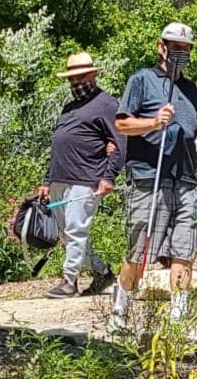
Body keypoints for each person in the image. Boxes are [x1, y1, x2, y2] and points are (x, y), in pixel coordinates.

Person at [109, 22, 197, 333]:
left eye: (185, 48)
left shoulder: (194, 91)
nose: (179, 53)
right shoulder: (142, 80)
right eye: (174, 47)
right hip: (149, 178)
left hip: (186, 181)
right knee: (139, 250)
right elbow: (121, 125)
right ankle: (120, 314)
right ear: (161, 46)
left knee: (183, 251)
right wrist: (152, 122)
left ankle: (178, 321)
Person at [36, 51, 123, 298]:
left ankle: (69, 280)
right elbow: (58, 146)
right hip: (60, 178)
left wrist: (109, 176)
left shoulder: (107, 104)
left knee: (76, 230)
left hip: (86, 179)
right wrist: (46, 180)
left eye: (81, 76)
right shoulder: (69, 107)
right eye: (72, 78)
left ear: (93, 75)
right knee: (67, 233)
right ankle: (103, 273)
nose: (76, 82)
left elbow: (120, 142)